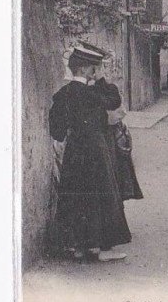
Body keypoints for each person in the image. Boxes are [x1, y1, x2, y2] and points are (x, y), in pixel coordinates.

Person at [48, 42, 131, 262]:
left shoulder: (62, 94)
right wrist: (101, 79)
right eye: (96, 67)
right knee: (102, 195)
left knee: (76, 195)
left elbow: (56, 131)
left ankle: (78, 247)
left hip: (75, 151)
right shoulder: (92, 95)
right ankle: (103, 249)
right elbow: (115, 100)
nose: (97, 70)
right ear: (86, 70)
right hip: (96, 150)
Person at [93, 77, 143, 202]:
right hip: (107, 135)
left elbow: (120, 113)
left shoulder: (109, 89)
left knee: (113, 171)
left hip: (110, 136)